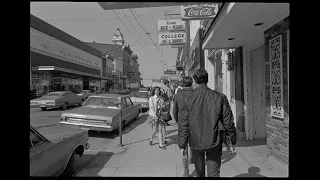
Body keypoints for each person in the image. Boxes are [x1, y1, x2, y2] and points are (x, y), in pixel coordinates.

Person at [178, 69, 237, 177]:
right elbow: (228, 121)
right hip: (214, 140)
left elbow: (184, 124)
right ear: (207, 80)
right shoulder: (219, 97)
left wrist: (182, 144)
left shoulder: (188, 100)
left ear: (195, 81)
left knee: (199, 172)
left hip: (195, 142)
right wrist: (232, 139)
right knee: (213, 173)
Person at [173, 76, 194, 177]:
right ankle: (193, 160)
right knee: (195, 145)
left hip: (183, 124)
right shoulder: (196, 93)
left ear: (182, 84)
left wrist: (178, 121)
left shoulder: (178, 95)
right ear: (191, 83)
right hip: (195, 124)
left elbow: (175, 111)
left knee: (183, 147)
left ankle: (186, 171)